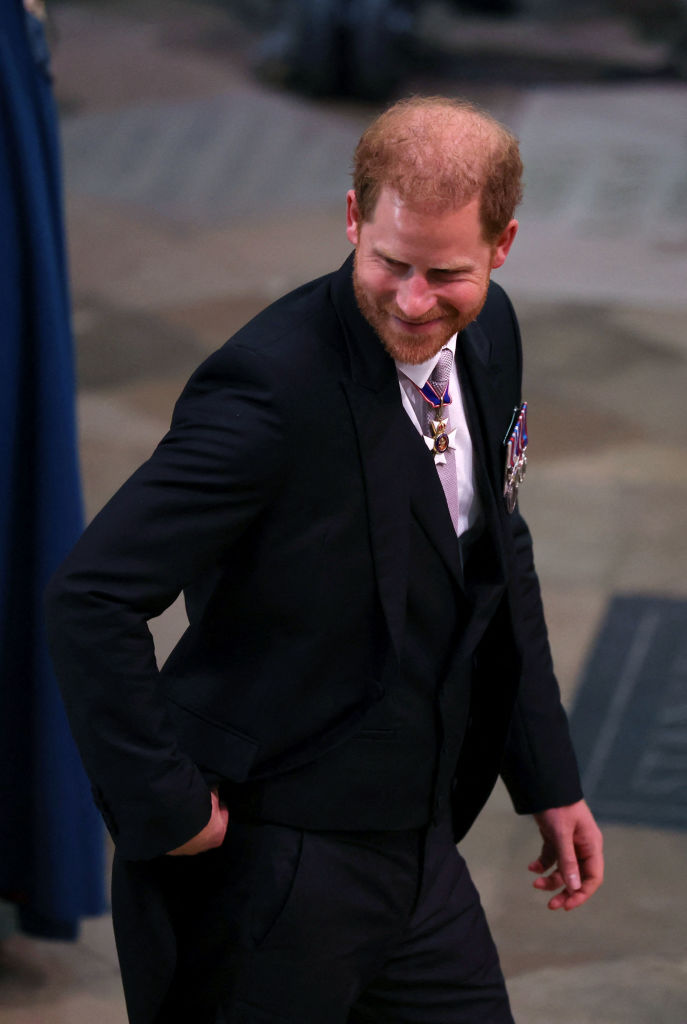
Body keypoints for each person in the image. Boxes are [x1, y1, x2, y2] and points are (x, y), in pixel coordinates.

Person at [45, 96, 604, 1024]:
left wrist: (547, 774)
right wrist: (166, 806)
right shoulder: (268, 390)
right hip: (271, 869)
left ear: (501, 246)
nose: (414, 301)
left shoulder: (489, 333)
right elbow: (90, 595)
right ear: (352, 218)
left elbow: (497, 551)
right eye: (390, 262)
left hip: (421, 852)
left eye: (446, 273)